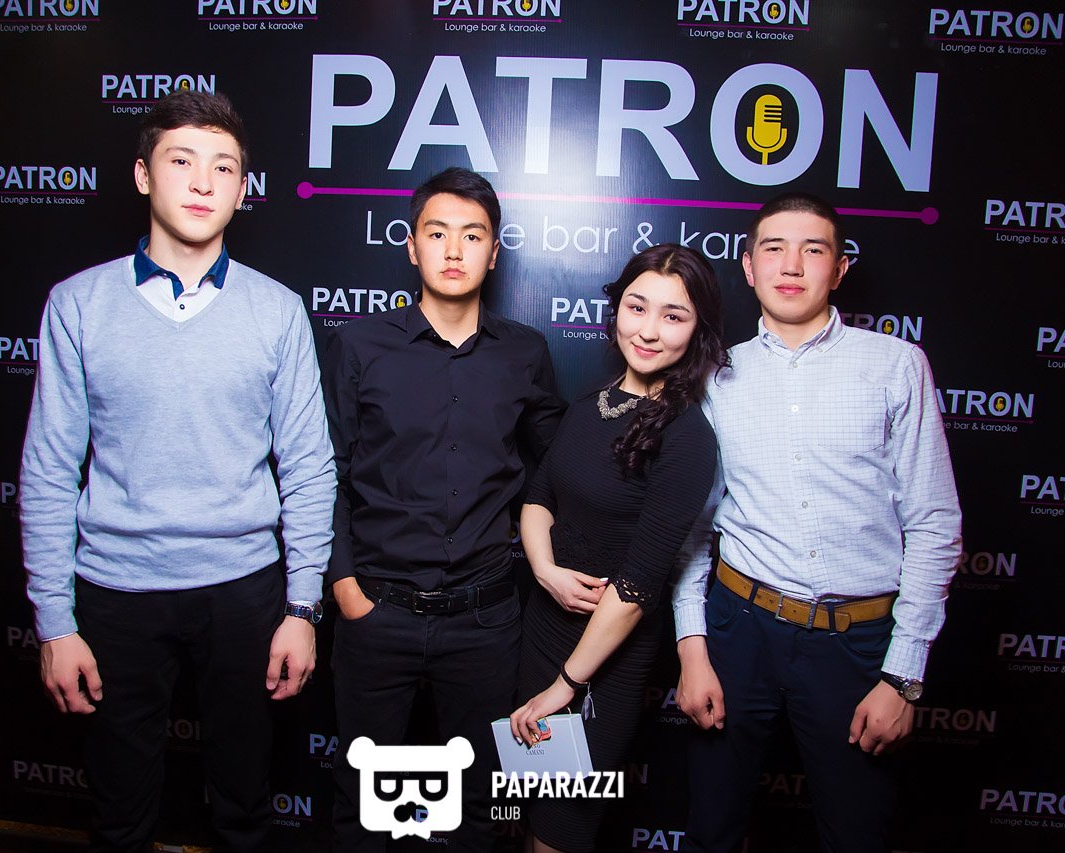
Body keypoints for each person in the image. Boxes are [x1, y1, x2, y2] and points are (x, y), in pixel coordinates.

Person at [18, 90, 336, 852]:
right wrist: (54, 621)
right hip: (116, 589)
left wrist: (302, 607)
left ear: (241, 188)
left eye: (222, 167)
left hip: (245, 590)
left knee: (244, 809)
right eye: (182, 160)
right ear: (143, 175)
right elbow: (49, 469)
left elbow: (308, 466)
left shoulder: (277, 310)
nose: (202, 181)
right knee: (120, 814)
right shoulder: (78, 305)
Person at [673, 193, 962, 852]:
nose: (792, 265)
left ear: (839, 267)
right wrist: (692, 647)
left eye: (813, 249)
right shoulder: (717, 375)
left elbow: (935, 522)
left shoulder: (896, 365)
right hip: (738, 630)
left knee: (856, 835)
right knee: (711, 830)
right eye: (773, 248)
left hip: (857, 644)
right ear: (749, 266)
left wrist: (902, 674)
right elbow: (693, 528)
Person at [322, 166, 565, 852]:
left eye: (472, 235)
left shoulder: (525, 352)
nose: (454, 250)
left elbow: (558, 469)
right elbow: (327, 472)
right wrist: (345, 587)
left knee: (480, 804)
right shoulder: (359, 345)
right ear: (411, 246)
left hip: (485, 619)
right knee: (362, 802)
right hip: (377, 610)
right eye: (437, 233)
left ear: (494, 251)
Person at [508, 245, 724, 853]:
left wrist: (566, 685)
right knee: (526, 815)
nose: (649, 331)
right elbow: (538, 498)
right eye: (637, 307)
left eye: (673, 316)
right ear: (617, 310)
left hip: (601, 666)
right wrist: (546, 570)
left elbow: (638, 584)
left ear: (698, 329)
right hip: (541, 631)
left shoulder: (688, 438)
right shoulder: (590, 404)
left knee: (560, 832)